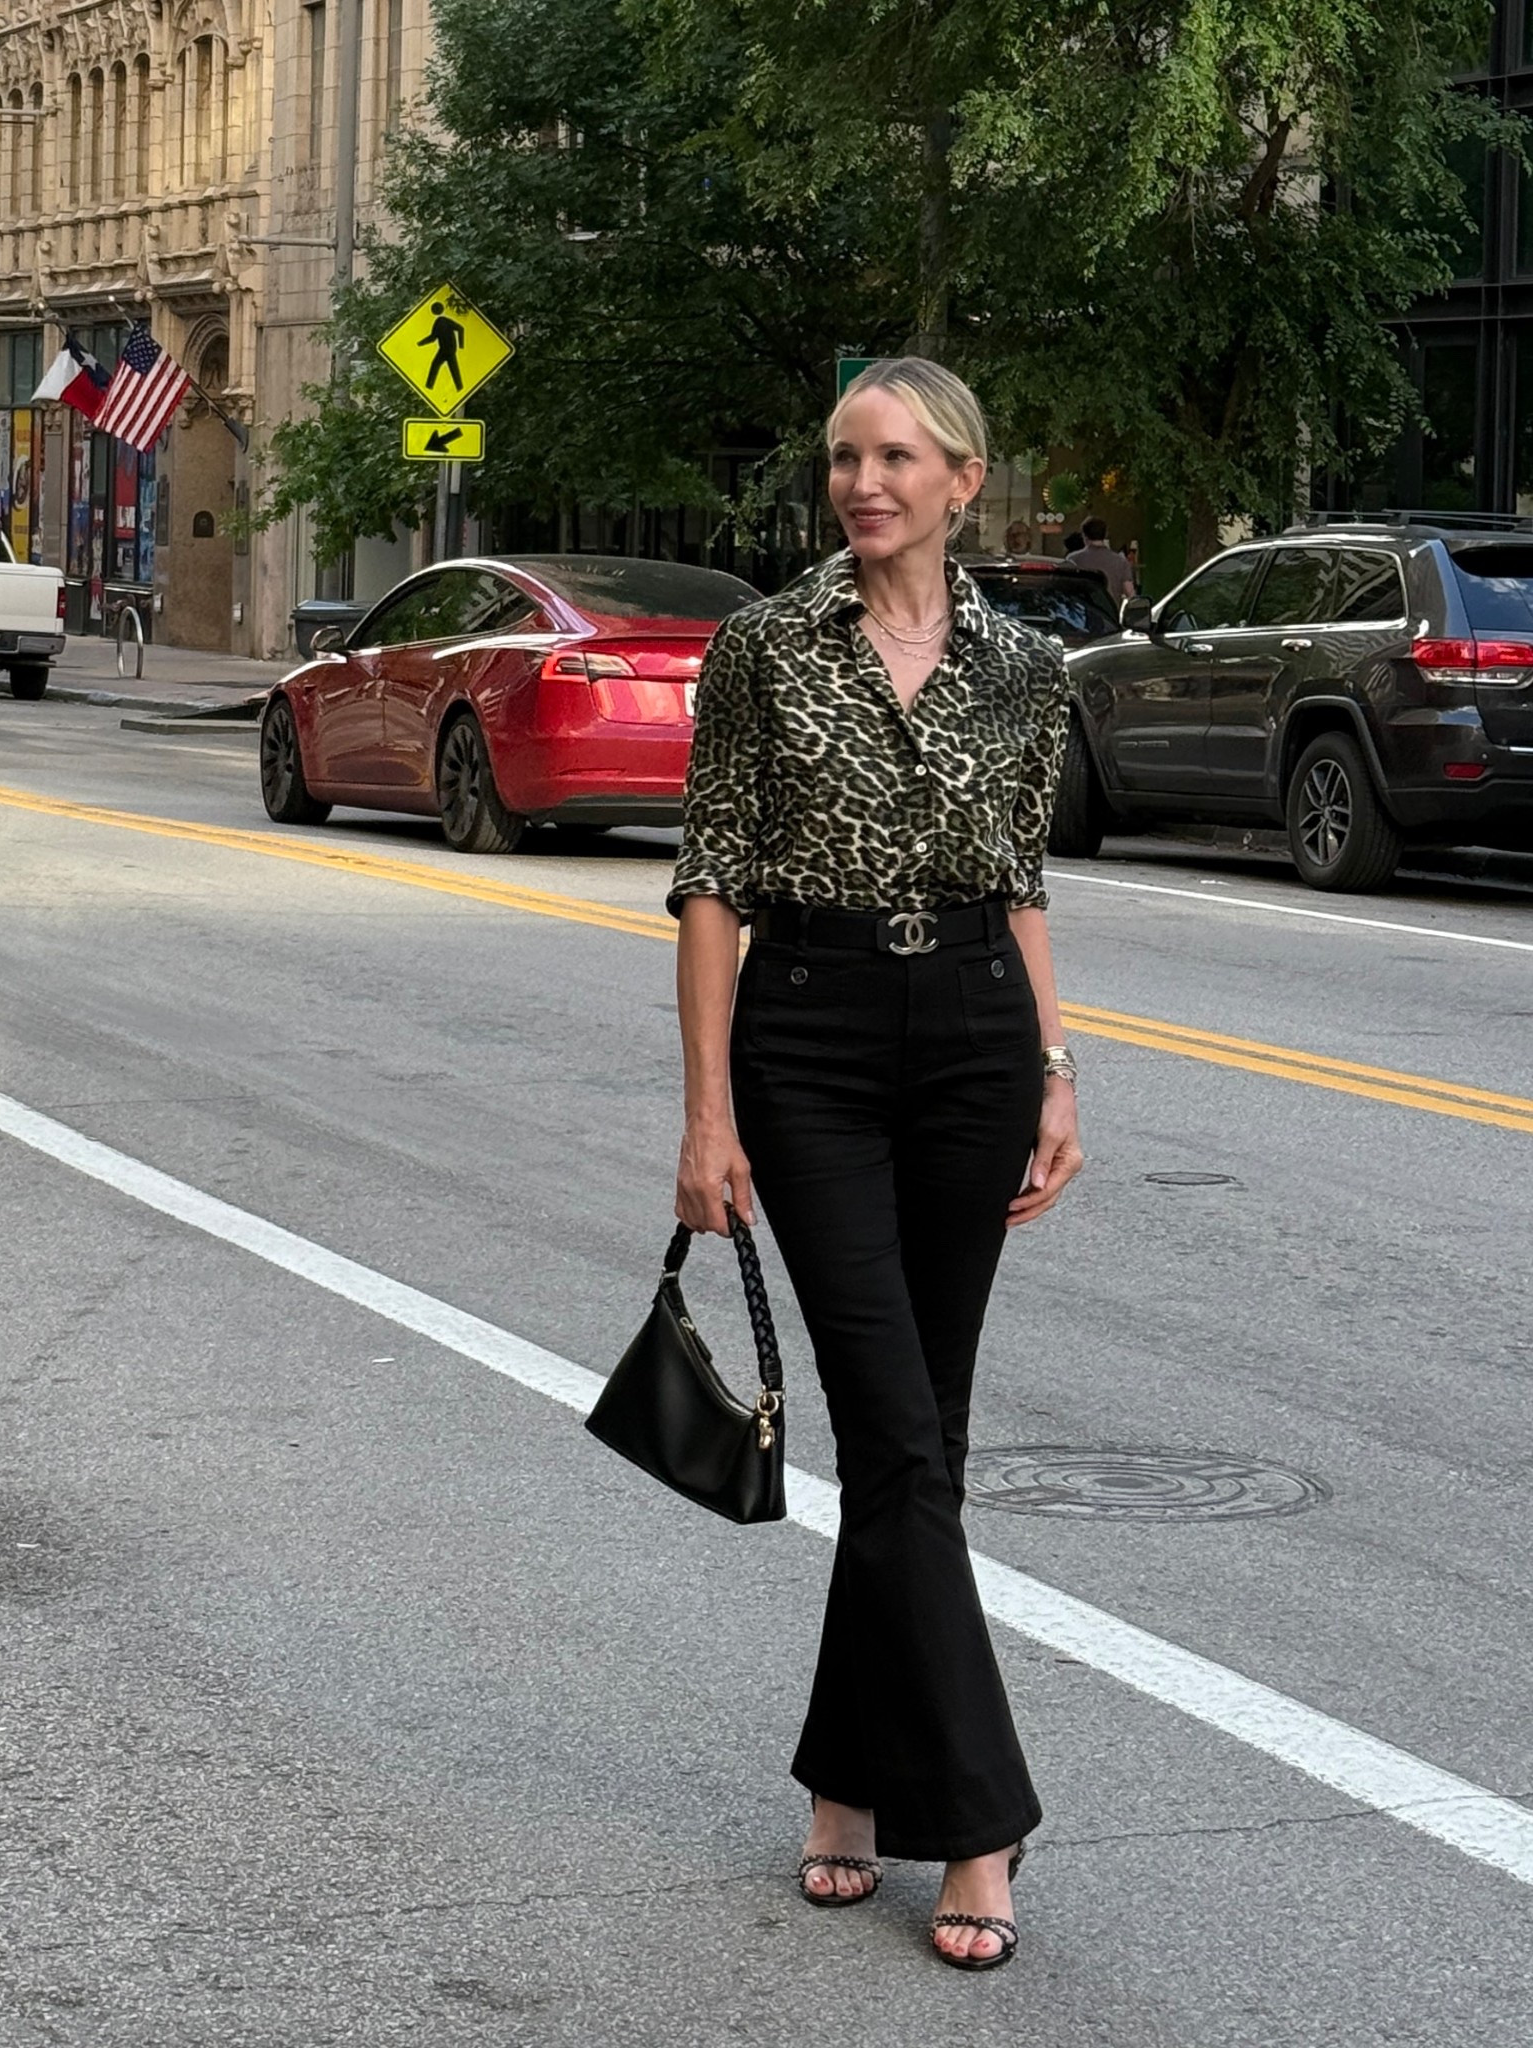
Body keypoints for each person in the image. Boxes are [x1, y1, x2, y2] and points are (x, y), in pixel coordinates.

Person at [669, 357, 1084, 1973]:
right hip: (814, 1038)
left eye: (895, 454)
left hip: (976, 1031)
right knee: (896, 1431)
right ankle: (978, 1816)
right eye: (844, 455)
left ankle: (847, 1780)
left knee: (928, 1440)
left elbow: (1024, 877)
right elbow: (712, 880)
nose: (862, 481)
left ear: (963, 478)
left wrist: (1054, 1065)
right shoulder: (764, 648)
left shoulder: (1025, 666)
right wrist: (707, 1113)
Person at [1066, 517, 1136, 608]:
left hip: (1080, 616)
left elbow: (1066, 590)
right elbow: (1130, 594)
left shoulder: (1073, 559)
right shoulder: (1120, 561)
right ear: (1105, 535)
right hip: (1109, 617)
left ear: (1084, 536)